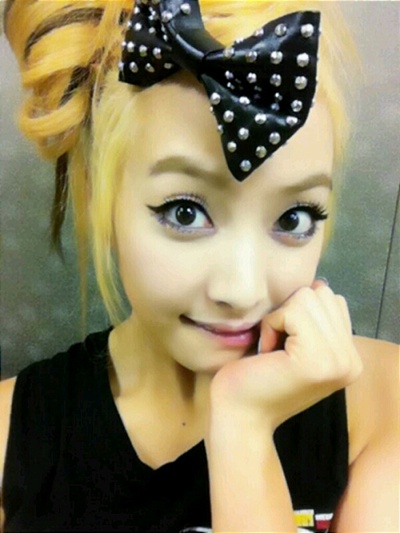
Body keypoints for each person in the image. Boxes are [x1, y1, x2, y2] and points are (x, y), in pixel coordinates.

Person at [0, 0, 398, 532]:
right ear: (102, 199)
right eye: (184, 212)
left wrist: (245, 428)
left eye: (294, 217)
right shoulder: (10, 438)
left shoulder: (386, 402)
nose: (243, 290)